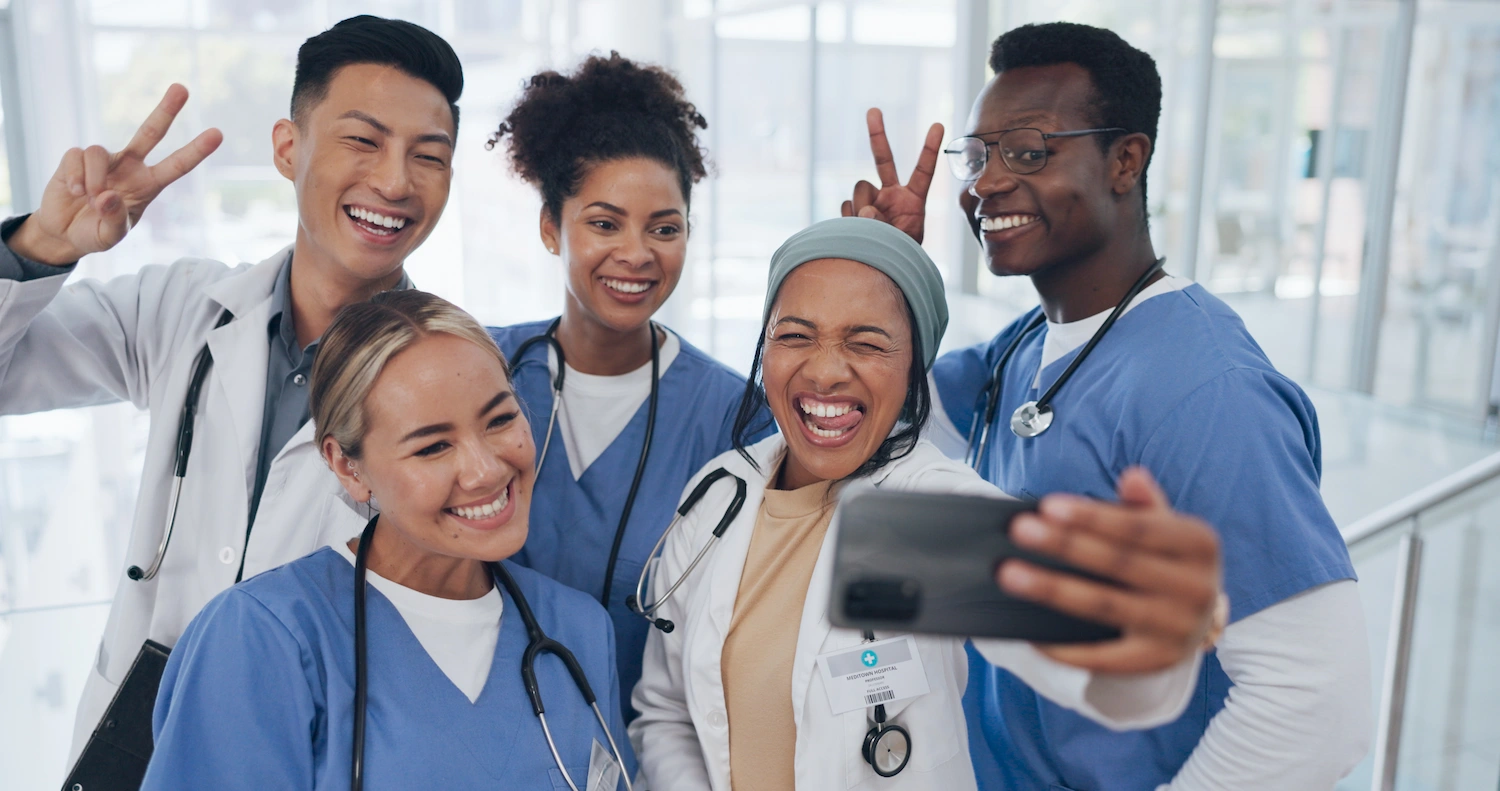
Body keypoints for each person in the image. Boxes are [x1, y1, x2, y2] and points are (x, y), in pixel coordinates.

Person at [843, 22, 1370, 791]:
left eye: (1028, 151)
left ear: (1126, 161)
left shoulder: (1208, 391)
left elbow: (1317, 700)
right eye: (978, 156)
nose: (985, 183)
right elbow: (873, 429)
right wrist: (877, 274)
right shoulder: (1027, 344)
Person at [0, 15, 464, 762]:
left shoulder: (453, 383)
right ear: (288, 148)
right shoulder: (182, 310)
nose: (394, 182)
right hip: (134, 746)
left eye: (429, 156)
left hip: (305, 752)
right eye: (363, 140)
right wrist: (39, 250)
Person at [629, 217, 1226, 790]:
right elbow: (665, 713)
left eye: (867, 343)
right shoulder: (718, 494)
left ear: (914, 368)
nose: (826, 371)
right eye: (795, 336)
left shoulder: (926, 511)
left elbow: (1076, 649)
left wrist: (1145, 634)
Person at [140, 290, 632, 790]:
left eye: (500, 420)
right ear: (347, 467)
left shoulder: (578, 630)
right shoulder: (260, 638)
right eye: (433, 447)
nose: (485, 471)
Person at [485, 53, 770, 717]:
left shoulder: (736, 416)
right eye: (604, 223)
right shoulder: (481, 367)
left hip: (652, 740)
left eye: (664, 228)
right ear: (551, 227)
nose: (637, 253)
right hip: (486, 727)